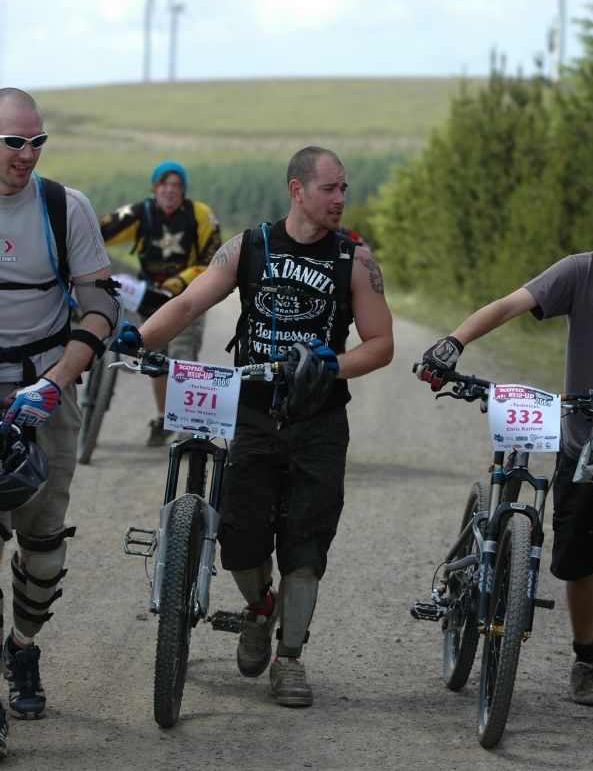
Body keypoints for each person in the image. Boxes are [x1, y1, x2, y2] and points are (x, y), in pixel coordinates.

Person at [113, 146, 394, 707]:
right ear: (297, 190)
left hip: (318, 418)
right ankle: (259, 610)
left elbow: (382, 343)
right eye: (329, 188)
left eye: (344, 189)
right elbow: (190, 303)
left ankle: (289, 660)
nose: (340, 199)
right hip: (252, 410)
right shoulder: (250, 247)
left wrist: (328, 365)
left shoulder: (354, 260)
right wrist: (137, 340)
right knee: (239, 541)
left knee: (306, 546)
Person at [0, 87, 122, 758]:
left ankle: (22, 646)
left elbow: (99, 304)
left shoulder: (62, 207)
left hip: (46, 390)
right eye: (14, 141)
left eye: (36, 141)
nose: (27, 154)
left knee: (42, 546)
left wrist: (56, 381)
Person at [417, 257, 593, 707]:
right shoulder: (580, 272)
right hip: (582, 448)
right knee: (578, 563)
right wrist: (454, 342)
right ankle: (587, 660)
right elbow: (508, 305)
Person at [99, 160, 221, 446]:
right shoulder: (142, 213)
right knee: (155, 358)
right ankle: (164, 418)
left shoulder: (200, 215)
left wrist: (181, 281)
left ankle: (189, 429)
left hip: (188, 296)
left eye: (176, 184)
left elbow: (213, 260)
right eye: (164, 183)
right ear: (154, 187)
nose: (169, 189)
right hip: (149, 297)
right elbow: (98, 231)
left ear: (183, 189)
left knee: (182, 356)